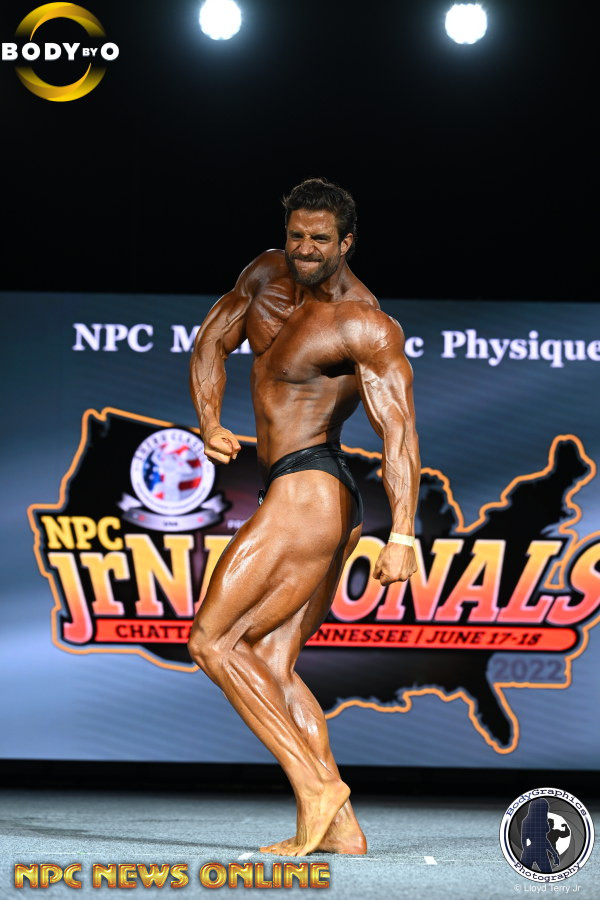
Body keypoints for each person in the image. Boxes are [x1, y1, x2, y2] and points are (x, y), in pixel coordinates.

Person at [188, 177, 420, 857]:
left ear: (347, 243)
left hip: (312, 487)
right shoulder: (265, 275)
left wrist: (403, 534)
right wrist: (209, 421)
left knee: (212, 642)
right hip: (297, 490)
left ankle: (317, 789)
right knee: (270, 662)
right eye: (297, 236)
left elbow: (399, 432)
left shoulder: (363, 322)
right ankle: (341, 829)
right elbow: (211, 342)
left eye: (321, 239)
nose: (306, 249)